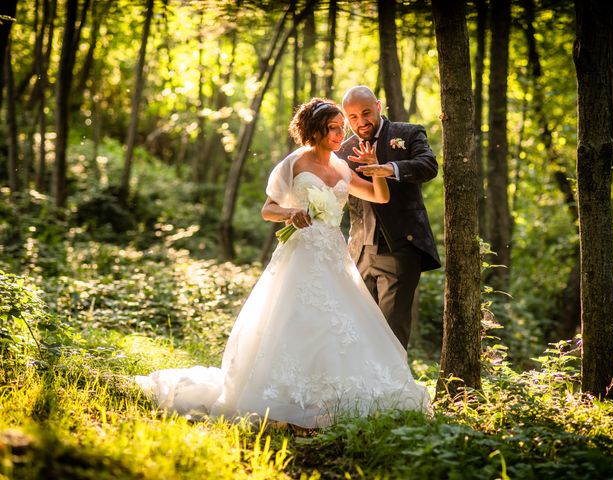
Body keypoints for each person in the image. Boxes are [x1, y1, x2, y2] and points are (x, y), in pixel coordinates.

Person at [136, 98, 432, 428]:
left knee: (340, 325)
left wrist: (377, 166)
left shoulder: (342, 166)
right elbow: (268, 209)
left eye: (342, 128)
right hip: (301, 254)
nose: (341, 134)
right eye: (334, 128)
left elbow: (381, 196)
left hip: (334, 256)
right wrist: (290, 213)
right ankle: (283, 394)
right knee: (295, 319)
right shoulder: (294, 164)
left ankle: (333, 395)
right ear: (316, 130)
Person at [337, 86, 441, 350]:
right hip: (358, 249)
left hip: (400, 246)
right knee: (358, 325)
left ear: (379, 107)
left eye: (366, 113)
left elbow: (428, 166)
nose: (361, 122)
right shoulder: (342, 149)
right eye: (353, 117)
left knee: (392, 329)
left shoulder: (407, 133)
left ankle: (393, 389)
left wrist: (388, 169)